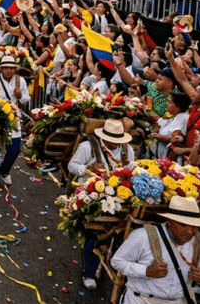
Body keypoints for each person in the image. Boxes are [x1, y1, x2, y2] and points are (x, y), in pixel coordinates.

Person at [68, 118, 135, 290]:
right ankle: (88, 273)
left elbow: (132, 169)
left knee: (117, 233)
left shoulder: (128, 150)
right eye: (110, 140)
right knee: (94, 233)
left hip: (119, 197)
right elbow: (72, 166)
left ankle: (104, 264)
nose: (114, 144)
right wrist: (88, 169)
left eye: (117, 141)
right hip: (93, 196)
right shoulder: (88, 146)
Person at [111, 195, 200, 304]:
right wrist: (146, 271)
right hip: (141, 300)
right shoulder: (143, 236)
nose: (190, 231)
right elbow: (117, 261)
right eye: (183, 225)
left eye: (194, 226)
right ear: (169, 221)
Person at [0, 55, 29, 189]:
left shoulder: (21, 81)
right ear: (1, 69)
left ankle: (5, 170)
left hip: (13, 117)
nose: (8, 71)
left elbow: (26, 98)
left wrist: (20, 96)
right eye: (6, 68)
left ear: (15, 69)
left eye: (11, 68)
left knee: (14, 149)